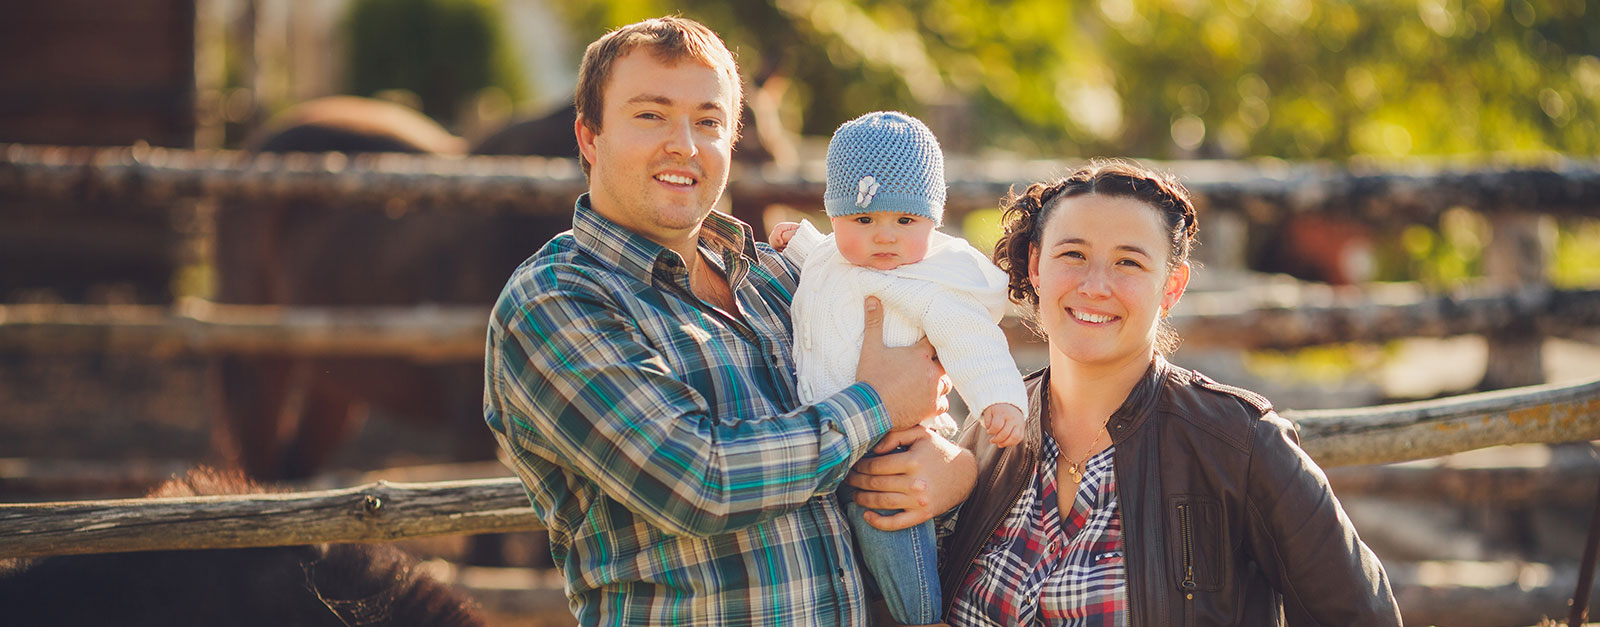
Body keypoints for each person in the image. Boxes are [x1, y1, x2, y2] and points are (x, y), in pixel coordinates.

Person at [481, 16, 974, 625]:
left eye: (708, 121)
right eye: (650, 114)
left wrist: (950, 469)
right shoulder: (556, 301)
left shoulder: (777, 278)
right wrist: (876, 405)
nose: (684, 144)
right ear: (589, 138)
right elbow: (699, 483)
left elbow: (915, 412)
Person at [934, 159, 1402, 625]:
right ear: (1036, 265)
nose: (1095, 285)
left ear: (1171, 286)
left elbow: (1364, 615)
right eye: (1073, 254)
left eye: (1128, 262)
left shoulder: (1240, 445)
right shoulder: (990, 432)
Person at [767, 111, 1026, 626]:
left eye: (904, 222)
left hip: (894, 443)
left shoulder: (929, 284)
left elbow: (973, 340)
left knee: (890, 521)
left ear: (932, 220)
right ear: (836, 215)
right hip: (825, 438)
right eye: (864, 220)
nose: (884, 238)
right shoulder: (836, 258)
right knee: (840, 547)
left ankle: (922, 616)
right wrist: (799, 240)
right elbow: (823, 256)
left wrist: (1001, 398)